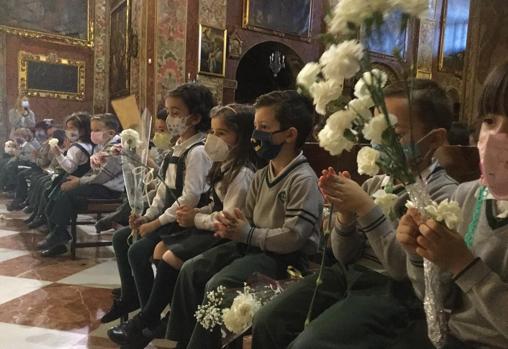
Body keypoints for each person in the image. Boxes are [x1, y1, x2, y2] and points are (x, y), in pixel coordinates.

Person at [251, 79, 459, 349]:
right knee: (268, 319)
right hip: (349, 274)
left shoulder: (443, 197)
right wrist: (345, 216)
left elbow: (400, 270)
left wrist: (365, 208)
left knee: (308, 345)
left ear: (435, 139)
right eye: (378, 132)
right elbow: (344, 254)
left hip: (392, 290)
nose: (382, 143)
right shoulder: (376, 183)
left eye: (395, 134)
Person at [166, 90, 323, 349]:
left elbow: (294, 236)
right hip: (253, 247)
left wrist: (247, 232)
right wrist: (232, 225)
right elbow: (246, 217)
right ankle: (183, 341)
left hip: (285, 258)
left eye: (264, 127)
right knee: (191, 269)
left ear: (290, 134)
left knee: (220, 284)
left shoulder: (303, 179)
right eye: (254, 127)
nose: (255, 135)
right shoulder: (263, 175)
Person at [107, 104, 258, 347]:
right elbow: (214, 202)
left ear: (241, 138)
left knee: (170, 258)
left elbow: (227, 216)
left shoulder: (242, 173)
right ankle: (165, 315)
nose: (213, 139)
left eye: (222, 134)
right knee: (158, 251)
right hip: (210, 224)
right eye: (213, 131)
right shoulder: (226, 164)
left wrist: (194, 217)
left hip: (226, 235)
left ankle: (151, 319)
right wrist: (198, 211)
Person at [398, 62, 508, 349]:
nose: (496, 137)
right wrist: (421, 254)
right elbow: (439, 299)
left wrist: (463, 264)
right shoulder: (466, 196)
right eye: (490, 120)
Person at [101, 83, 216, 325]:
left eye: (176, 113)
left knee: (138, 250)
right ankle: (131, 296)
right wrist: (147, 216)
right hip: (168, 217)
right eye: (167, 111)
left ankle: (148, 317)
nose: (169, 118)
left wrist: (155, 224)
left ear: (194, 117)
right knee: (121, 238)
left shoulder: (198, 151)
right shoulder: (178, 147)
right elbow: (164, 189)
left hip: (185, 222)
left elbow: (189, 198)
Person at [37, 113, 123, 257]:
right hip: (100, 185)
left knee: (68, 194)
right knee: (60, 190)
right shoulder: (105, 145)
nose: (93, 133)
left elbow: (103, 176)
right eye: (92, 129)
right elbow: (95, 172)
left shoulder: (116, 148)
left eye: (96, 130)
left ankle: (60, 234)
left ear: (111, 132)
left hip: (110, 190)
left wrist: (78, 182)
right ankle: (59, 235)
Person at [26, 112, 94, 229]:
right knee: (48, 189)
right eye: (66, 128)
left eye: (71, 128)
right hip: (77, 177)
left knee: (52, 193)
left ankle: (53, 225)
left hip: (72, 178)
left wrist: (58, 153)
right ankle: (44, 218)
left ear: (83, 129)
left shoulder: (77, 147)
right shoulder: (89, 144)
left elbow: (69, 167)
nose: (68, 131)